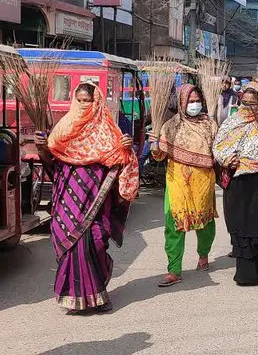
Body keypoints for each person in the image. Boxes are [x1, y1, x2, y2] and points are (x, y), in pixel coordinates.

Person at [35, 82, 139, 312]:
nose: (83, 105)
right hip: (67, 200)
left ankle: (100, 295)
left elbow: (121, 164)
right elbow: (51, 163)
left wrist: (127, 149)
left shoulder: (108, 131)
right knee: (70, 246)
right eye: (79, 100)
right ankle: (72, 297)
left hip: (97, 200)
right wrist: (41, 147)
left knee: (97, 243)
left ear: (97, 102)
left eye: (88, 101)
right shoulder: (63, 128)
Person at [213, 84, 258, 286]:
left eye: (253, 104)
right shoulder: (231, 123)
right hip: (239, 183)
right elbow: (219, 148)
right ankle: (245, 272)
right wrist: (228, 160)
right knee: (242, 226)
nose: (248, 108)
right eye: (244, 103)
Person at [150, 84, 218, 287]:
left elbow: (218, 150)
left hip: (203, 180)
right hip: (176, 179)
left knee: (204, 222)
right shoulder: (170, 125)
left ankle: (203, 254)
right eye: (190, 101)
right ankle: (174, 269)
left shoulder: (210, 124)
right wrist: (155, 146)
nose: (194, 105)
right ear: (181, 102)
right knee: (174, 223)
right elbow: (160, 155)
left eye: (197, 101)